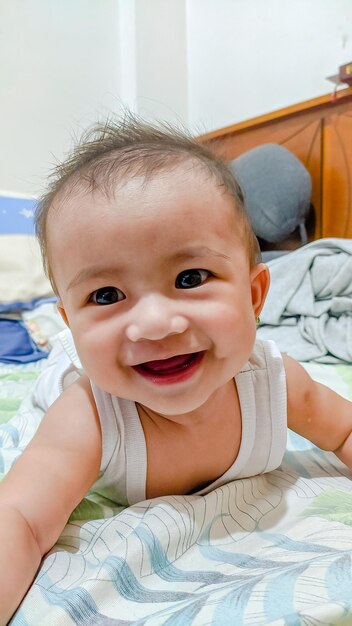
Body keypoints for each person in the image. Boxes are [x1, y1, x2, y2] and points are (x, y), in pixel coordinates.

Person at [1, 116, 351, 623]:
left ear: (254, 296)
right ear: (74, 322)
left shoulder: (275, 383)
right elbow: (21, 519)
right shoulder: (88, 417)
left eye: (190, 277)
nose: (156, 324)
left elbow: (343, 428)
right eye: (106, 295)